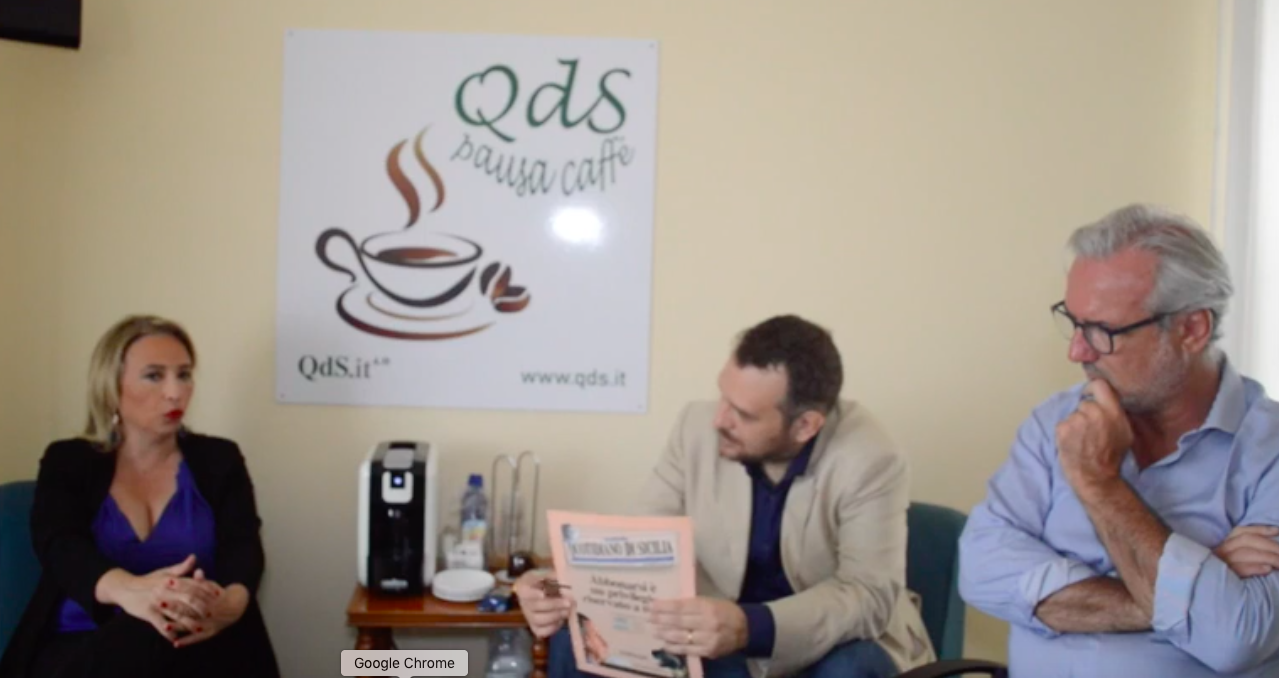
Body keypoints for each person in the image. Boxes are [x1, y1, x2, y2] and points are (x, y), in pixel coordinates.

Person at [516, 315, 936, 678]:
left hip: (829, 642)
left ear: (805, 425)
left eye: (744, 414)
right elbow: (637, 550)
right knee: (578, 640)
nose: (719, 419)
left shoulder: (871, 457)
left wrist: (749, 626)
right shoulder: (696, 427)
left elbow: (868, 594)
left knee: (852, 668)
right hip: (721, 644)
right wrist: (553, 588)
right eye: (723, 397)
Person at [958, 204, 1279, 677]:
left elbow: (1235, 639)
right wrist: (1188, 584)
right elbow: (980, 570)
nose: (1076, 351)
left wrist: (1100, 485)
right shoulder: (1056, 422)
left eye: (1102, 331)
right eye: (1073, 321)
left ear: (1192, 329)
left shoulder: (1268, 449)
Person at [0, 315, 279, 678]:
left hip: (195, 642)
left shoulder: (219, 458)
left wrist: (231, 604)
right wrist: (134, 591)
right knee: (148, 631)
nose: (175, 392)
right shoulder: (68, 460)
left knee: (180, 637)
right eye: (154, 376)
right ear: (111, 385)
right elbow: (59, 544)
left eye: (184, 375)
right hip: (84, 647)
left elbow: (243, 546)